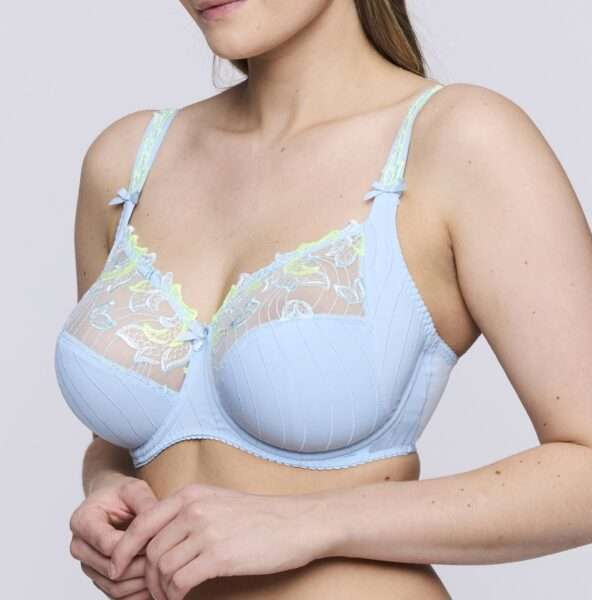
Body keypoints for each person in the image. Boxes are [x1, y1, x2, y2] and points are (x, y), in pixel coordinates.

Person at [58, 1, 592, 599]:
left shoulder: (460, 141)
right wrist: (105, 487)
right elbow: (128, 437)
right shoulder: (128, 162)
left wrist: (314, 520)